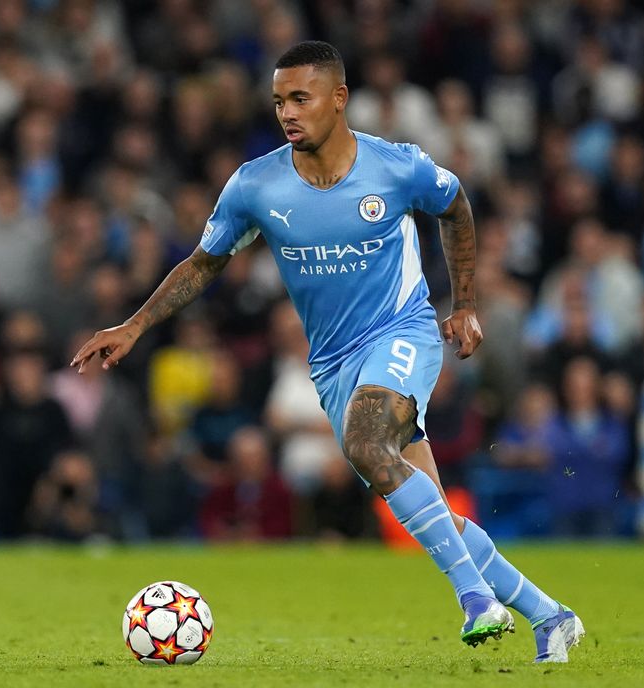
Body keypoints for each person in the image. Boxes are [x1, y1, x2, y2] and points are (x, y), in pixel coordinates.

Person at [71, 41, 584, 662]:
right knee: (428, 510)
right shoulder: (254, 185)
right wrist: (134, 324)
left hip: (403, 332)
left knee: (367, 443)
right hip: (333, 364)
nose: (287, 112)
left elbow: (457, 208)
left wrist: (466, 304)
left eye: (300, 98)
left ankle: (476, 600)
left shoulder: (395, 167)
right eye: (279, 101)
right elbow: (206, 262)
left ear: (338, 99)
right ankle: (550, 617)